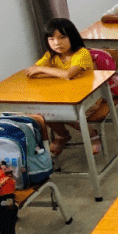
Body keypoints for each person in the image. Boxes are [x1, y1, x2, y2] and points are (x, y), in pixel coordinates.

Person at [26, 17, 104, 155]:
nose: (57, 43)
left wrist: (48, 71)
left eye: (62, 37)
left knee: (66, 113)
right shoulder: (50, 55)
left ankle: (93, 135)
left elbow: (68, 74)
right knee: (42, 112)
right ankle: (62, 135)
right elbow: (33, 72)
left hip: (89, 98)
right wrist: (57, 74)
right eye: (51, 39)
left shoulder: (81, 53)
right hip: (63, 96)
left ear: (72, 37)